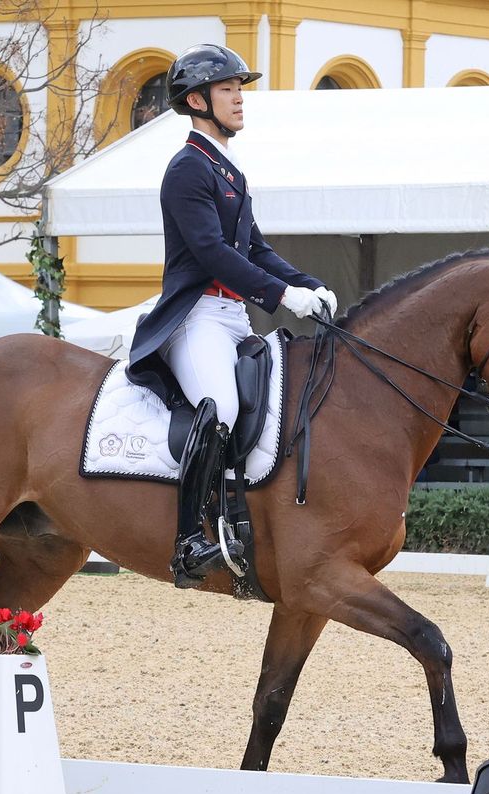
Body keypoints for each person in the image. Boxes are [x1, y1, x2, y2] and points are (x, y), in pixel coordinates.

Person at [127, 44, 337, 587]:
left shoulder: (227, 168)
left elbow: (257, 249)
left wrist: (307, 284)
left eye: (240, 89)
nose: (240, 98)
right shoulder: (187, 169)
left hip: (234, 316)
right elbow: (212, 253)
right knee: (218, 407)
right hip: (195, 317)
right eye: (228, 90)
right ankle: (188, 541)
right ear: (197, 100)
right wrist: (282, 297)